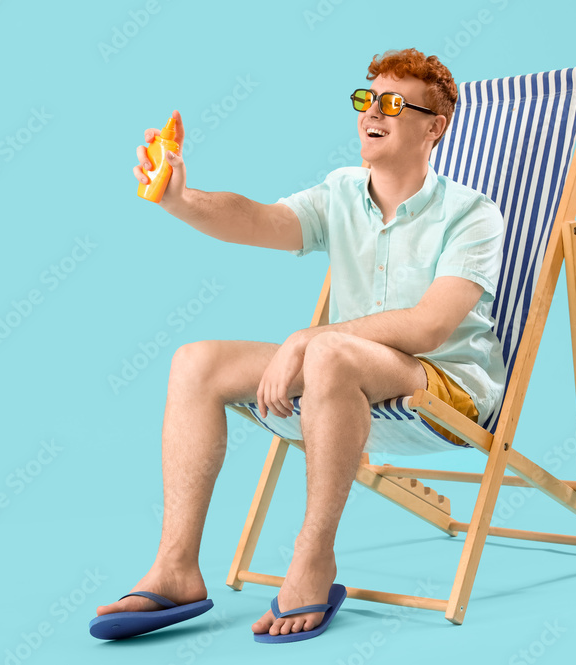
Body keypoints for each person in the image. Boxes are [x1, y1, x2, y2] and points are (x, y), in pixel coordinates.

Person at [94, 47, 506, 642]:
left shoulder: (473, 214)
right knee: (196, 362)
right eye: (368, 98)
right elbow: (258, 220)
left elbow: (428, 329)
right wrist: (180, 199)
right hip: (345, 380)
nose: (374, 110)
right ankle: (177, 567)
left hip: (444, 390)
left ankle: (314, 559)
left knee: (328, 353)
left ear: (434, 127)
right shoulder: (342, 191)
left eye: (394, 102)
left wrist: (312, 338)